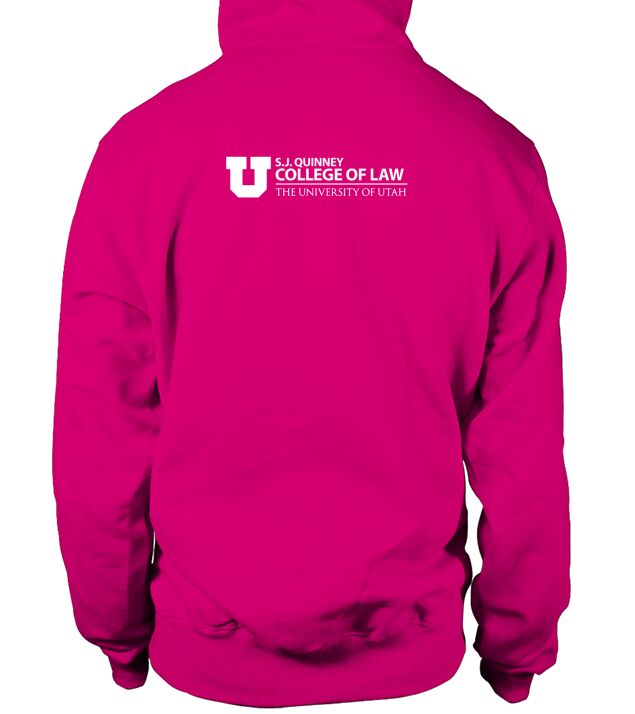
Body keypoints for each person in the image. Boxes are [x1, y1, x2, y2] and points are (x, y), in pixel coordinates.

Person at [52, 0, 570, 706]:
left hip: (203, 648)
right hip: (414, 655)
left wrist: (116, 628)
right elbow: (521, 442)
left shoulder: (141, 151)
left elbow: (102, 427)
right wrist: (516, 645)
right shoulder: (493, 155)